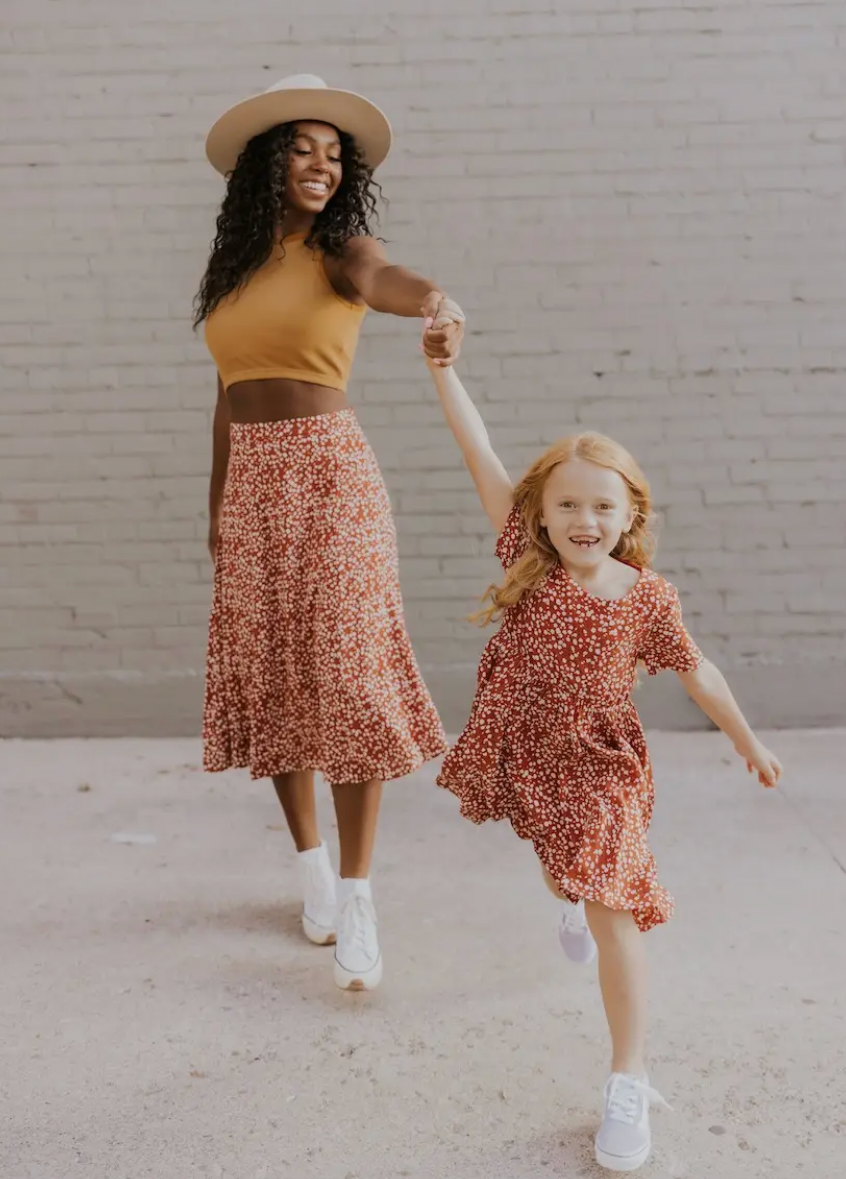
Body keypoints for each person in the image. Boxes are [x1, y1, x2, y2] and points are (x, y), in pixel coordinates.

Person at [422, 345, 783, 1172]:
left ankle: (628, 1076)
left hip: (602, 762)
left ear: (629, 518)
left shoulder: (646, 597)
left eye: (603, 507)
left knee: (611, 905)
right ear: (541, 514)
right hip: (525, 745)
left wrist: (748, 741)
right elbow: (477, 449)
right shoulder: (526, 556)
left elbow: (697, 670)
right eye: (569, 504)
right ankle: (568, 899)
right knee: (568, 880)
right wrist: (444, 369)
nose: (585, 520)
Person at [195, 74, 464, 993]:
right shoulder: (231, 270)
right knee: (274, 675)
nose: (321, 164)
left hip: (329, 470)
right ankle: (308, 863)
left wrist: (434, 299)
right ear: (267, 164)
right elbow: (227, 397)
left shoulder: (342, 248)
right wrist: (217, 505)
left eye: (334, 153)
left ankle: (356, 892)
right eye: (302, 149)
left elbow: (387, 280)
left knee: (345, 675)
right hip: (255, 482)